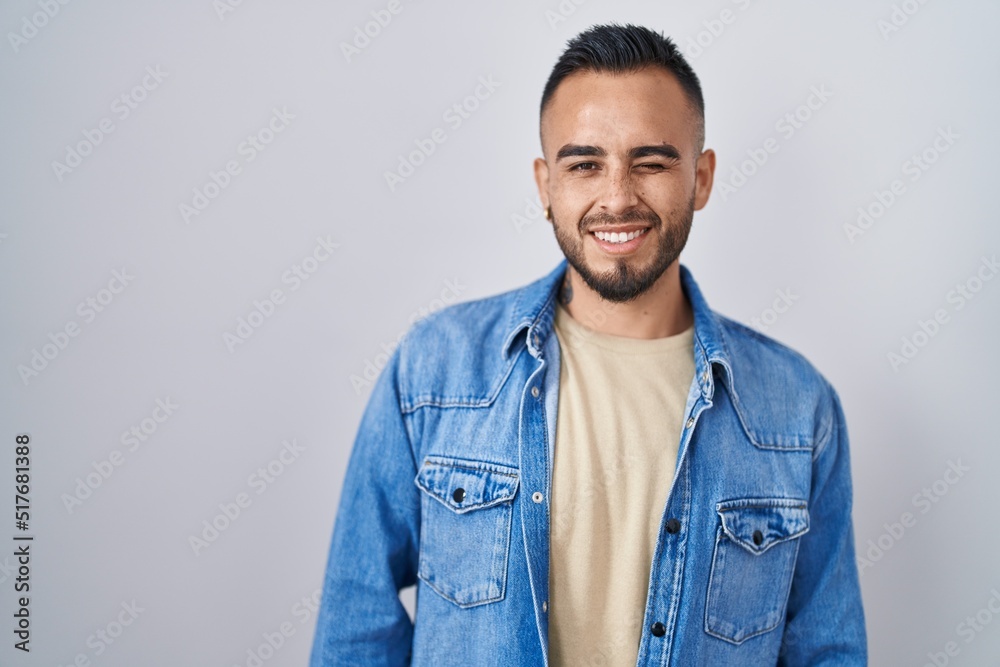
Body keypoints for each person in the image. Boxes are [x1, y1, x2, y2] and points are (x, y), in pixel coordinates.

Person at [310, 22, 867, 666]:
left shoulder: (797, 408)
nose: (617, 198)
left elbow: (826, 651)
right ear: (546, 185)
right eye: (584, 165)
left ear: (701, 178)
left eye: (651, 163)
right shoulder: (435, 368)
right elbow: (356, 624)